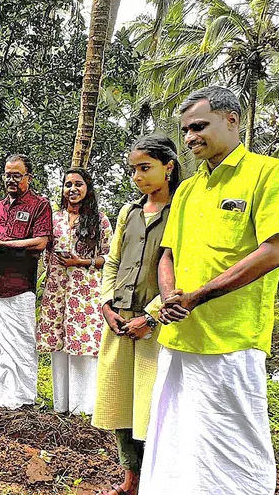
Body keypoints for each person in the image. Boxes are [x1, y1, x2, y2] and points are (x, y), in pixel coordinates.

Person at [139, 86, 279, 495]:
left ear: (232, 120)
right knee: (175, 440)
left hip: (232, 338)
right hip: (179, 337)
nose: (190, 137)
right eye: (186, 129)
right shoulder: (188, 188)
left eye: (200, 126)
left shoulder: (268, 173)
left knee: (235, 446)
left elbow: (272, 252)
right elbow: (167, 253)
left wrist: (196, 298)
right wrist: (171, 295)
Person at [91, 134, 180, 495]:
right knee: (120, 403)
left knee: (151, 405)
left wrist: (153, 316)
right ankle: (130, 479)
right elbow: (113, 262)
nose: (137, 177)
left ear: (169, 167)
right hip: (120, 320)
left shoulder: (180, 213)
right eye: (133, 170)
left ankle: (157, 481)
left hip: (155, 325)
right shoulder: (129, 213)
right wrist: (107, 304)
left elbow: (181, 270)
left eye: (145, 168)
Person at [0, 154, 52, 409]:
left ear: (29, 177)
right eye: (7, 175)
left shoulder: (39, 205)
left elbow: (40, 242)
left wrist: (2, 244)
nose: (11, 180)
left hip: (18, 288)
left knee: (20, 345)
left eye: (17, 175)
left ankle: (20, 401)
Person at [36, 167, 112, 415]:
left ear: (87, 188)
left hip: (85, 291)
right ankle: (61, 406)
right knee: (59, 345)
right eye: (68, 185)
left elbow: (110, 257)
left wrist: (81, 262)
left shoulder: (99, 220)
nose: (72, 189)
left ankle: (84, 408)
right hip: (57, 290)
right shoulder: (54, 218)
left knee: (83, 345)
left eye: (78, 184)